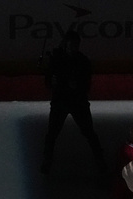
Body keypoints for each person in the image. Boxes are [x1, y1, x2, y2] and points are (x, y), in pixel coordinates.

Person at [40, 30, 106, 176]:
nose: (72, 48)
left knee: (88, 132)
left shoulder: (81, 61)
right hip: (63, 102)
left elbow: (86, 84)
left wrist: (77, 86)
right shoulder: (58, 60)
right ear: (66, 45)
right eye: (70, 45)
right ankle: (47, 162)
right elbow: (48, 81)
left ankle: (101, 162)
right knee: (53, 134)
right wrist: (53, 82)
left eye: (74, 45)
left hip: (76, 102)